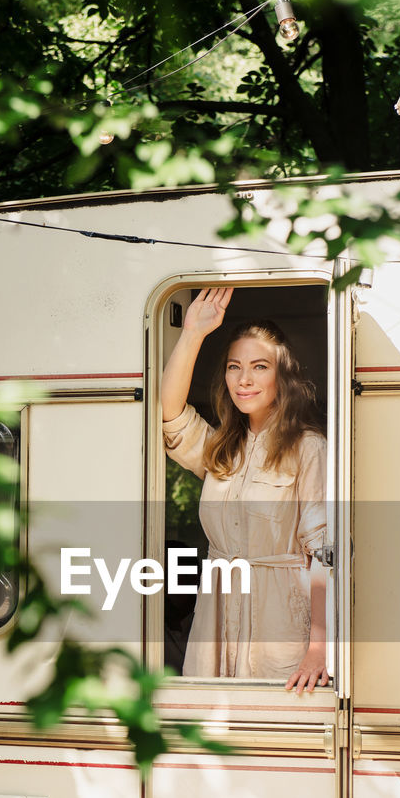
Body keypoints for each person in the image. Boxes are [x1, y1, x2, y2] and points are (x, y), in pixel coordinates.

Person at [161, 286, 330, 692]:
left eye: (259, 367)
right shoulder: (221, 447)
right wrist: (193, 335)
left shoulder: (308, 448)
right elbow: (169, 415)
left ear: (282, 376)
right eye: (235, 367)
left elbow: (326, 554)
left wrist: (320, 649)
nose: (245, 379)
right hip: (215, 623)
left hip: (280, 626)